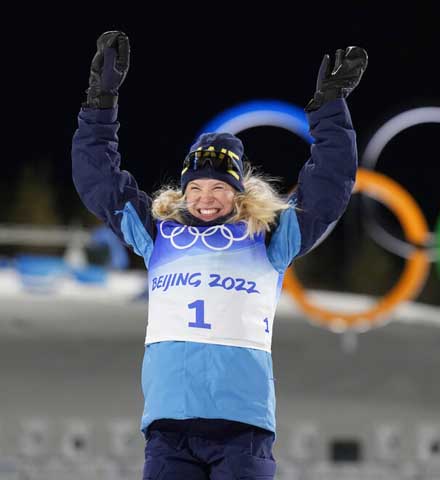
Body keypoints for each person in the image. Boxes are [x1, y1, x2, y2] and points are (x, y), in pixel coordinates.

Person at [72, 31, 367, 479]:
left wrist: (329, 107)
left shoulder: (268, 237)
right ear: (183, 190)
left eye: (218, 189)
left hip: (242, 429)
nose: (205, 200)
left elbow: (329, 185)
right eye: (196, 188)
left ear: (238, 192)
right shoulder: (157, 234)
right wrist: (100, 100)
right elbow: (98, 179)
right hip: (170, 429)